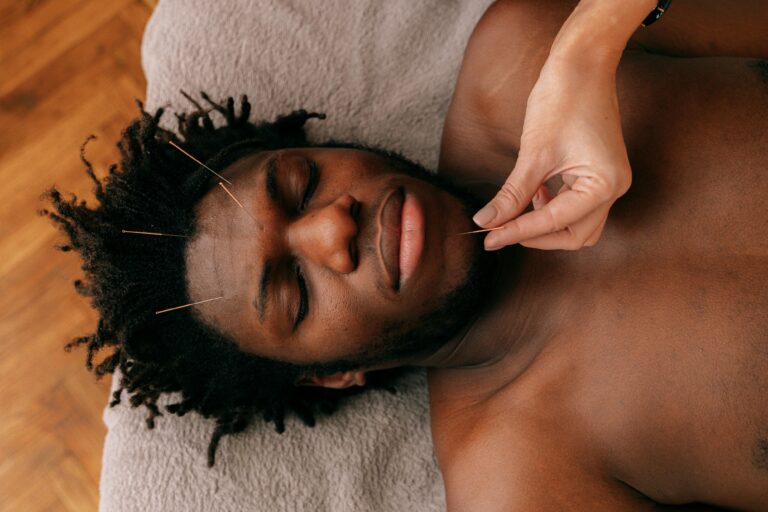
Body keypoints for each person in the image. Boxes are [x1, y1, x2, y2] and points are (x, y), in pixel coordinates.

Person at [43, 0, 767, 509]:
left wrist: (595, 37)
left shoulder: (524, 59)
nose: (332, 229)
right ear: (333, 376)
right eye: (295, 292)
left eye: (300, 185)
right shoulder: (525, 481)